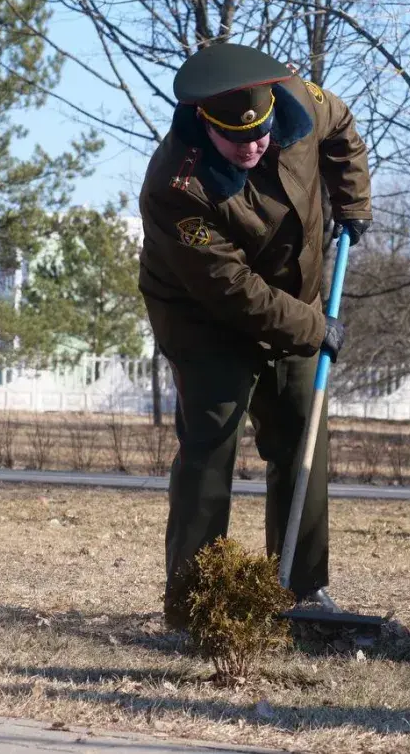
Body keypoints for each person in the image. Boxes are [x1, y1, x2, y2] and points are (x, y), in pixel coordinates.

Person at [137, 43, 372, 628]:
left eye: (261, 132)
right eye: (236, 139)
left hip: (296, 301)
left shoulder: (296, 102)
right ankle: (195, 604)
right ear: (204, 123)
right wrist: (317, 328)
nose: (253, 146)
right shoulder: (176, 186)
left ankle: (301, 590)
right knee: (210, 449)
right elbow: (234, 291)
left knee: (302, 441)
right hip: (205, 318)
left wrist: (352, 201)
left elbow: (340, 126)